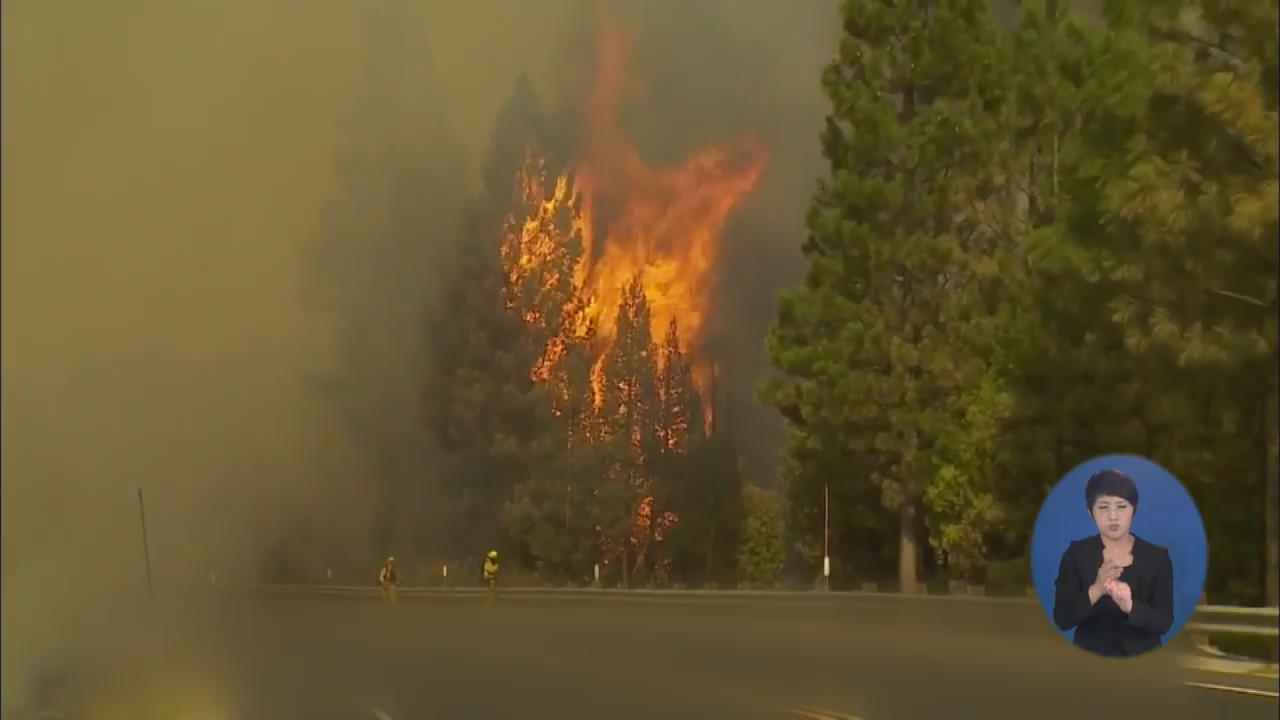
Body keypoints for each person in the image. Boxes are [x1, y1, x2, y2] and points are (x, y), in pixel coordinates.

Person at [1053, 470, 1174, 657]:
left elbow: (1164, 622)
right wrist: (1096, 589)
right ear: (1090, 512)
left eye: (1121, 506)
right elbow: (1062, 619)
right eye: (1103, 507)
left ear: (1134, 510)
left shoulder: (1157, 557)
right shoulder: (1076, 555)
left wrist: (1130, 606)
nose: (1113, 516)